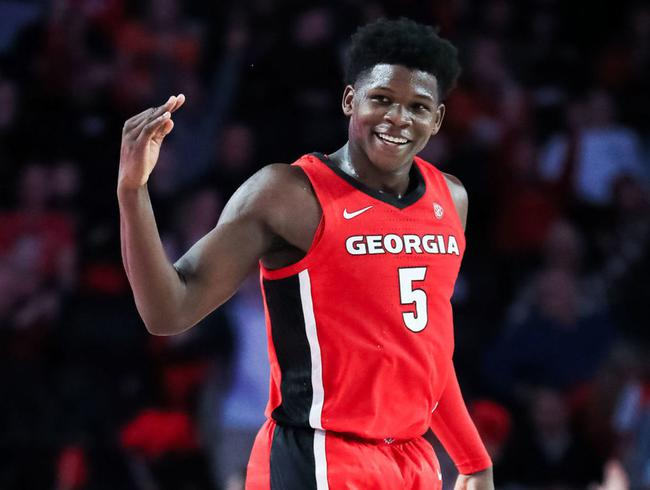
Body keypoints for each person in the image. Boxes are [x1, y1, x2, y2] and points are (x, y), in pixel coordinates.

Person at [118, 18, 493, 490]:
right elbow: (167, 311)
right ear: (350, 100)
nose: (398, 118)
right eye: (382, 99)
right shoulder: (288, 194)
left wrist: (473, 460)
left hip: (413, 460)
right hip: (318, 453)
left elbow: (429, 354)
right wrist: (133, 191)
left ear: (436, 119)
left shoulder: (451, 200)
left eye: (417, 107)